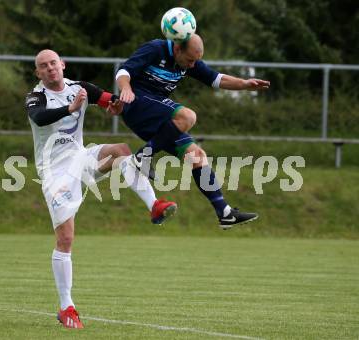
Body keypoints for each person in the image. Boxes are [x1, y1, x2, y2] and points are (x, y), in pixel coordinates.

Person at [25, 49, 177, 329]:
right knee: (66, 239)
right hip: (55, 172)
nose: (50, 69)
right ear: (38, 73)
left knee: (120, 150)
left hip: (80, 157)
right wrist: (70, 109)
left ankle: (155, 206)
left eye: (53, 63)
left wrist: (117, 106)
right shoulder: (36, 96)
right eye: (43, 66)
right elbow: (39, 117)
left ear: (63, 64)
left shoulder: (80, 88)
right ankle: (66, 307)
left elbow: (110, 100)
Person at [116, 33, 270, 229]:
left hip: (156, 116)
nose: (192, 65)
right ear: (178, 49)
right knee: (187, 116)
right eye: (190, 60)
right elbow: (123, 72)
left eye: (195, 61)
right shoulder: (156, 49)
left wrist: (245, 84)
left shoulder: (188, 61)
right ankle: (143, 156)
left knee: (196, 156)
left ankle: (224, 212)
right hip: (136, 103)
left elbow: (216, 79)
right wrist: (125, 88)